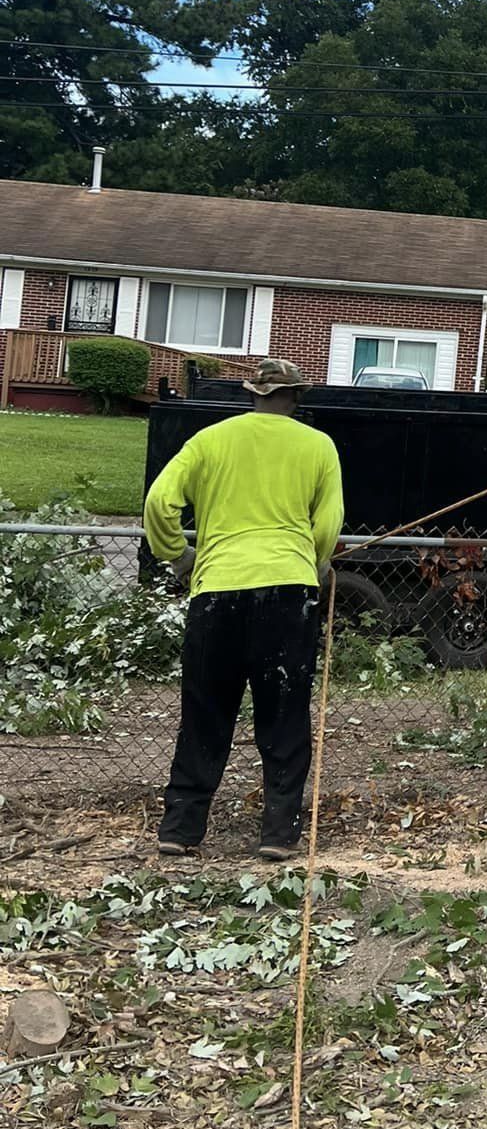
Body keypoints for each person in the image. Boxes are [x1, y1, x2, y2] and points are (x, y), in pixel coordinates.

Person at [143, 357, 344, 861]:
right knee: (284, 714)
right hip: (287, 594)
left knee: (205, 712)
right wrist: (312, 562)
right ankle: (278, 832)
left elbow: (159, 503)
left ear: (251, 394)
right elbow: (329, 522)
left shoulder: (210, 441)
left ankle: (181, 828)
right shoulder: (318, 446)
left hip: (218, 591)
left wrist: (180, 556)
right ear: (297, 399)